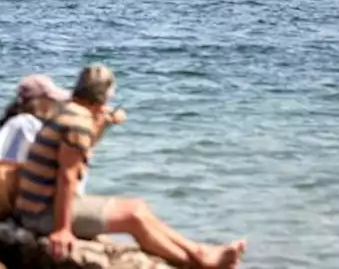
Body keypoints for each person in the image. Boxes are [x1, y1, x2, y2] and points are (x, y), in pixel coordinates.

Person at [15, 64, 246, 268]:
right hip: (41, 215)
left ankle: (199, 253)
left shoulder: (69, 112)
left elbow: (76, 155)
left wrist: (103, 125)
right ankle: (194, 262)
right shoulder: (78, 123)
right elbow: (67, 176)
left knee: (139, 207)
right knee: (134, 216)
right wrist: (62, 229)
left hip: (38, 207)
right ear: (104, 96)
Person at [0, 75, 69, 162]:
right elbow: (13, 160)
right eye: (51, 99)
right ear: (39, 101)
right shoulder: (26, 123)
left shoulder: (18, 121)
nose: (55, 104)